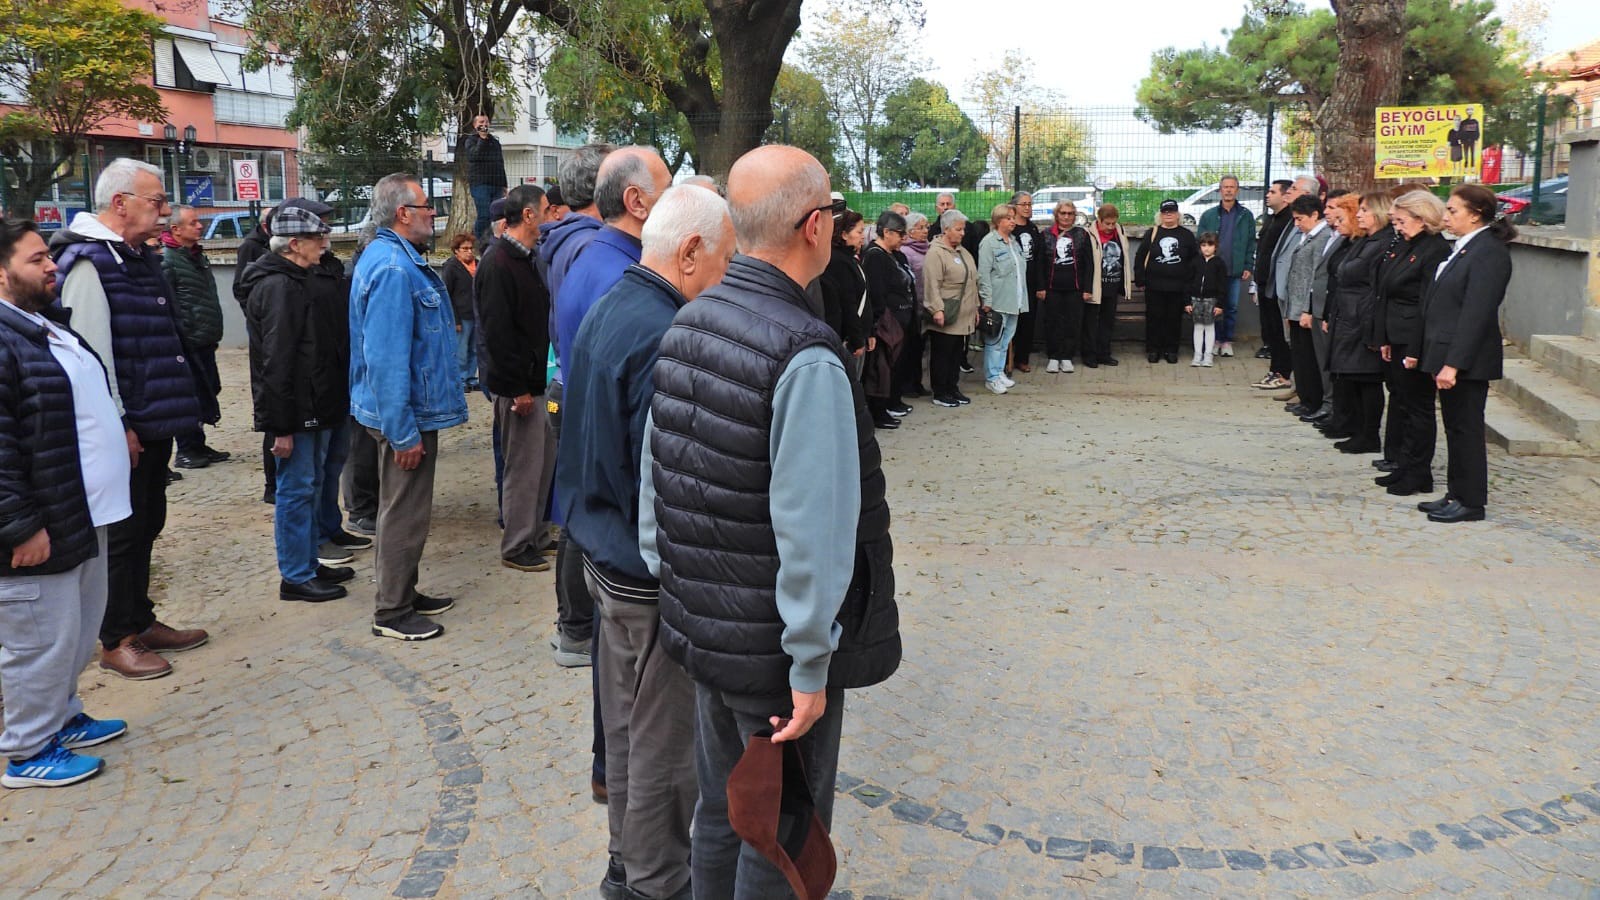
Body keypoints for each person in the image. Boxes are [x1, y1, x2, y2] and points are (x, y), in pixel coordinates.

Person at [639, 144, 900, 898]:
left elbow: (655, 490)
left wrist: (683, 593)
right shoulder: (805, 353)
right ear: (816, 227)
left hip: (706, 631)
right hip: (772, 657)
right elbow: (813, 533)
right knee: (779, 838)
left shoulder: (691, 318)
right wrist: (811, 663)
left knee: (725, 815)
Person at [556, 185, 735, 900]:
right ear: (690, 252)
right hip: (640, 568)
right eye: (724, 260)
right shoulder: (665, 330)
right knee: (664, 748)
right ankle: (655, 881)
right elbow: (665, 482)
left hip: (606, 552)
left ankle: (628, 863)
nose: (727, 277)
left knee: (630, 730)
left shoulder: (616, 301)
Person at [50, 158, 208, 680]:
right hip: (127, 425)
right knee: (123, 530)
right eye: (156, 201)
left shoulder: (134, 257)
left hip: (152, 418)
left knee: (147, 521)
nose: (164, 212)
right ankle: (116, 638)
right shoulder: (92, 262)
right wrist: (120, 424)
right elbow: (92, 355)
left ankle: (140, 619)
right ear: (120, 204)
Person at [0, 218, 131, 788]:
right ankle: (27, 751)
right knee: (38, 640)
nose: (52, 264)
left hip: (80, 511)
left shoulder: (40, 325)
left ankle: (62, 716)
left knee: (75, 631)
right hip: (38, 529)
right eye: (36, 260)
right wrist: (19, 526)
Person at [349, 173, 470, 641]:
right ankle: (393, 611)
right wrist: (403, 433)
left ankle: (404, 589)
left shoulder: (393, 259)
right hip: (405, 416)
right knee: (404, 511)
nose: (433, 214)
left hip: (405, 411)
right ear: (403, 214)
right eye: (426, 206)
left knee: (402, 507)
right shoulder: (395, 269)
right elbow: (385, 358)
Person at [236, 205, 354, 603]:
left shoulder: (296, 279)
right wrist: (280, 426)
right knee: (296, 488)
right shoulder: (279, 287)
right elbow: (277, 361)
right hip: (299, 410)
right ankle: (296, 574)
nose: (325, 245)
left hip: (314, 403)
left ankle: (307, 562)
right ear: (294, 244)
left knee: (312, 483)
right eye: (318, 239)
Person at [1411, 185, 1514, 523]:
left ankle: (1471, 501)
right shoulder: (1464, 248)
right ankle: (1456, 492)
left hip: (1467, 359)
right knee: (1454, 427)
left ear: (1475, 214)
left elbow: (1476, 313)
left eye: (1453, 211)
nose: (1446, 216)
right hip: (1446, 352)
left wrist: (1453, 363)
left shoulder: (1489, 252)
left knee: (1466, 428)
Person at [475, 185, 560, 576]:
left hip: (534, 381)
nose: (550, 214)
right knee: (523, 468)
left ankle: (537, 532)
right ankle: (516, 543)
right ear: (528, 215)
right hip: (519, 388)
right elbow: (498, 333)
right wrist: (517, 389)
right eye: (545, 209)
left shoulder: (527, 258)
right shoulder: (498, 262)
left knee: (541, 463)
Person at [554, 147, 672, 376]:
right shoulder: (625, 280)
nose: (676, 201)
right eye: (668, 192)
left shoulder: (594, 256)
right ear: (636, 202)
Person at [1373, 190, 1451, 497]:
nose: (1398, 227)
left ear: (1422, 219)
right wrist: (1384, 337)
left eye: (1402, 221)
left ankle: (1419, 472)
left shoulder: (1434, 250)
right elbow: (1385, 290)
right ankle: (1404, 465)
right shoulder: (1407, 246)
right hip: (1396, 336)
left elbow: (1426, 304)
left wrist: (1417, 349)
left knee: (1418, 408)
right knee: (1403, 404)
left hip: (1415, 339)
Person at [160, 205, 229, 470]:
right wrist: (184, 332)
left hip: (204, 339)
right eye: (193, 223)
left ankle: (198, 444)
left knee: (207, 390)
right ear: (175, 229)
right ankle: (187, 449)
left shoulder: (195, 256)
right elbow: (168, 303)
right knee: (189, 395)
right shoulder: (169, 260)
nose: (200, 226)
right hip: (187, 342)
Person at [1323, 192, 1391, 454]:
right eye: (1359, 210)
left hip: (1362, 317)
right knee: (1353, 377)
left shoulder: (1379, 243)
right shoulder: (1364, 241)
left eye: (1365, 210)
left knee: (1367, 379)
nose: (1359, 215)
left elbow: (1360, 276)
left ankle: (1368, 434)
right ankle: (1358, 430)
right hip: (1350, 314)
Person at [1280, 194, 1334, 417]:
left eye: (1300, 218)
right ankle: (1305, 397)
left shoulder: (1322, 237)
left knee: (1309, 357)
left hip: (1305, 308)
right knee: (1300, 356)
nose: (1297, 223)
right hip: (1296, 306)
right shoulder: (1307, 236)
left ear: (1315, 215)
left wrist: (1307, 309)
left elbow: (1315, 276)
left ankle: (1313, 400)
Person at [861, 210, 917, 427]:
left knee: (894, 366)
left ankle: (891, 403)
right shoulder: (875, 256)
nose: (904, 238)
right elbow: (876, 294)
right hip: (886, 322)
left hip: (900, 318)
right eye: (900, 233)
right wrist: (877, 325)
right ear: (886, 232)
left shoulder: (893, 255)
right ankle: (878, 412)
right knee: (881, 370)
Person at [921, 209, 979, 407]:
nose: (963, 233)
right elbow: (932, 284)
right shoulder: (935, 253)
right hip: (947, 313)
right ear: (946, 229)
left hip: (964, 314)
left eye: (963, 229)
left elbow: (972, 281)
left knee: (956, 354)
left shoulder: (962, 251)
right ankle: (940, 391)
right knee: (942, 354)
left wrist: (975, 308)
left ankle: (952, 388)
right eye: (958, 229)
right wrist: (936, 309)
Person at [1196, 176, 1257, 358]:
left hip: (1234, 268)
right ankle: (1214, 341)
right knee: (1213, 306)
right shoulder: (1209, 215)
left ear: (1237, 190)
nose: (1228, 190)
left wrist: (1248, 265)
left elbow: (1250, 243)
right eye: (1225, 187)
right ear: (1220, 190)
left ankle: (1227, 341)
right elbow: (1200, 241)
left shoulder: (1246, 215)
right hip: (1213, 270)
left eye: (1232, 187)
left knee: (1231, 306)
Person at [1135, 199, 1199, 364]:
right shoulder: (1152, 233)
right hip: (1154, 286)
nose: (1168, 214)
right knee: (1154, 319)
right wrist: (1140, 279)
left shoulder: (1186, 235)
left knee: (1173, 320)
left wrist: (1190, 283)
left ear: (1178, 214)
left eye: (1171, 211)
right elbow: (1140, 256)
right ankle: (1153, 349)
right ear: (1160, 215)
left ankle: (1171, 350)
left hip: (1178, 287)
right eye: (1165, 211)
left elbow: (1194, 261)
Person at [1250, 179, 1297, 385]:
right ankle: (1275, 369)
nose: (1267, 195)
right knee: (1270, 331)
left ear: (1285, 196)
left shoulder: (1290, 222)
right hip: (1264, 283)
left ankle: (1284, 373)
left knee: (1280, 331)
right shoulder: (1270, 219)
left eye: (1272, 191)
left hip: (1278, 285)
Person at [977, 203, 1027, 395]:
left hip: (1015, 299)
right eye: (1009, 218)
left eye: (1013, 217)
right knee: (994, 340)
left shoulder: (1013, 241)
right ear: (998, 220)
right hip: (998, 300)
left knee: (1006, 339)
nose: (1013, 221)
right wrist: (987, 300)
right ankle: (991, 377)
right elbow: (984, 273)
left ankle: (999, 372)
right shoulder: (989, 242)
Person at [1040, 200, 1093, 374]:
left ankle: (1067, 357)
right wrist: (1041, 287)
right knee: (1052, 322)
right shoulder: (1046, 234)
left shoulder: (1082, 235)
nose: (1066, 217)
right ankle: (1054, 356)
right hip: (1052, 287)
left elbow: (1089, 263)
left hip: (1075, 288)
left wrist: (1087, 288)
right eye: (1063, 213)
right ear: (1056, 215)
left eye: (1070, 213)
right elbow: (1039, 264)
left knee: (1073, 322)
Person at [818, 208, 869, 371]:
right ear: (844, 234)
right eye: (859, 231)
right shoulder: (839, 262)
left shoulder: (848, 258)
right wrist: (857, 340)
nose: (863, 236)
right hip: (844, 338)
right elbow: (848, 303)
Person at [1087, 205, 1131, 368]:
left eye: (1113, 223)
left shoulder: (1120, 232)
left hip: (1113, 285)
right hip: (1095, 286)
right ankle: (1090, 354)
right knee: (1092, 323)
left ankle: (1104, 353)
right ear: (1099, 220)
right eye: (1107, 224)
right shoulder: (1089, 234)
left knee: (1107, 322)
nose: (1110, 227)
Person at [1008, 192, 1047, 373]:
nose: (1027, 208)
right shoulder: (1010, 229)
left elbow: (1039, 259)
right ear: (1014, 206)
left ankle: (1022, 358)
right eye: (1023, 204)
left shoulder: (1033, 229)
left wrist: (1040, 285)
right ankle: (1008, 358)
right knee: (1011, 322)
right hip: (1012, 284)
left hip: (1030, 284)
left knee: (1028, 322)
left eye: (1030, 204)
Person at [440, 233, 479, 392]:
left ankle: (471, 377)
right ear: (456, 250)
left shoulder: (478, 264)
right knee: (461, 350)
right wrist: (454, 319)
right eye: (464, 249)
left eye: (470, 248)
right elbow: (447, 294)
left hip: (476, 314)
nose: (469, 252)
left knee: (475, 349)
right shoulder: (451, 267)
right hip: (461, 316)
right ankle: (461, 379)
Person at [462, 114, 508, 243]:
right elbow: (474, 156)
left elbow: (500, 163)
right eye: (481, 122)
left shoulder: (494, 141)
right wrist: (482, 139)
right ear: (475, 125)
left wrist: (504, 185)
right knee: (484, 215)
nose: (484, 124)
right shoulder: (471, 141)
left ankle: (496, 240)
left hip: (496, 184)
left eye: (487, 122)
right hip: (480, 184)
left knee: (497, 215)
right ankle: (481, 242)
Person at [1187, 233, 1227, 366]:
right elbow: (1188, 282)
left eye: (1210, 245)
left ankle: (1208, 355)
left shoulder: (1219, 264)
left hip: (1212, 300)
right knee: (1198, 328)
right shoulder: (1195, 262)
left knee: (1209, 328)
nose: (1207, 248)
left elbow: (1223, 285)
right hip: (1196, 299)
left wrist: (1220, 304)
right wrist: (1187, 301)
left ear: (1216, 247)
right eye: (1203, 245)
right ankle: (1197, 355)